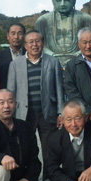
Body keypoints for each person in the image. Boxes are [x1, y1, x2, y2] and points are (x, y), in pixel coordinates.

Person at [6, 30, 64, 172]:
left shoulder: (53, 62)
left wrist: (61, 112)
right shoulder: (15, 64)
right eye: (31, 42)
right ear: (25, 45)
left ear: (43, 43)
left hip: (47, 112)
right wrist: (10, 115)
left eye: (38, 41)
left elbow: (59, 89)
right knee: (25, 148)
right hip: (24, 114)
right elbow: (10, 91)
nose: (34, 44)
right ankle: (26, 180)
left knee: (49, 150)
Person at [35, 0, 91, 66]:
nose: (62, 4)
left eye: (67, 0)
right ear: (52, 1)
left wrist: (77, 55)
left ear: (74, 0)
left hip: (79, 62)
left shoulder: (85, 18)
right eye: (58, 1)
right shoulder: (43, 21)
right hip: (51, 62)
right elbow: (39, 45)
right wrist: (53, 56)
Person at [0, 23, 26, 89]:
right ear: (8, 36)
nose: (16, 37)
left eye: (20, 33)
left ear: (24, 36)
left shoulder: (30, 54)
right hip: (6, 96)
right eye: (13, 33)